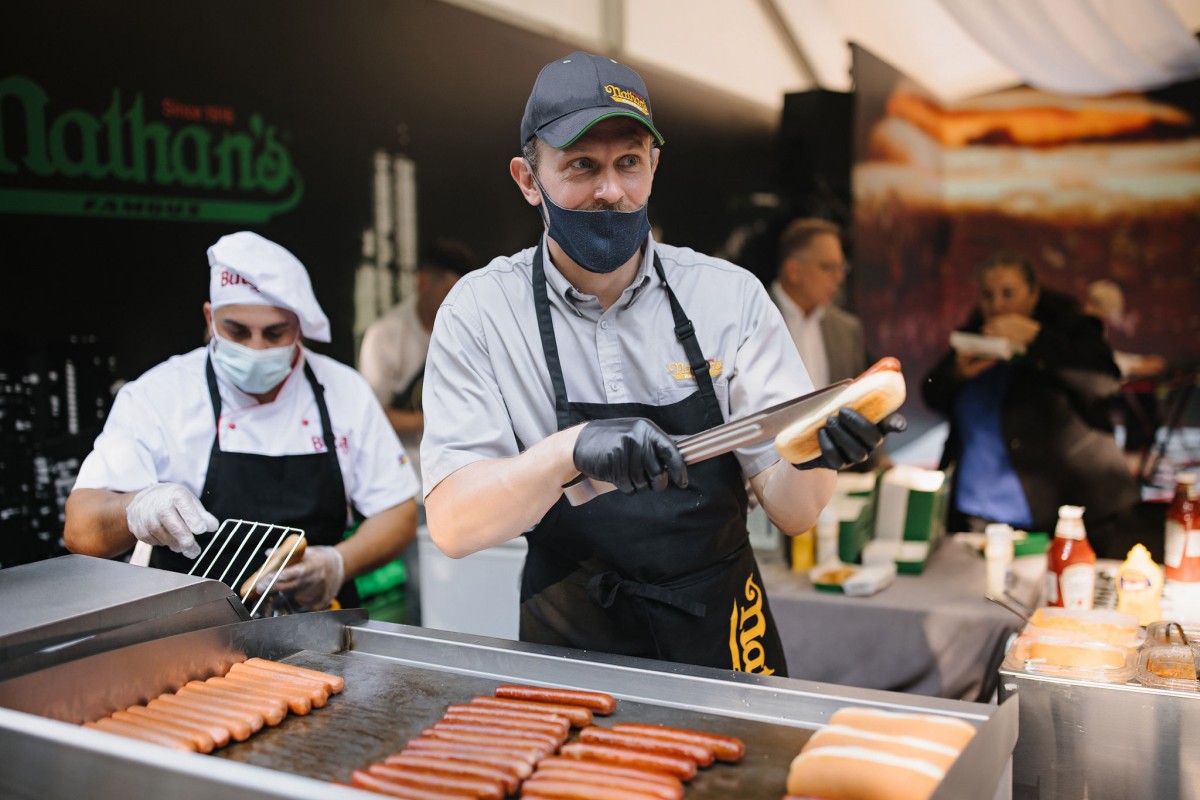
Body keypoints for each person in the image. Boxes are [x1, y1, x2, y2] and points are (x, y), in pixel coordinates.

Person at [419, 51, 902, 675]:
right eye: (581, 166)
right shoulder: (483, 312)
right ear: (527, 179)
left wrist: (818, 453)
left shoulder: (728, 297)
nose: (612, 190)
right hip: (572, 644)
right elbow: (455, 526)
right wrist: (570, 452)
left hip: (726, 635)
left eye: (628, 163)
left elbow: (794, 510)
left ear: (654, 165)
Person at [64, 231, 420, 610]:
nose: (256, 349)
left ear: (299, 326)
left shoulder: (345, 391)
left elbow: (398, 511)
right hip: (183, 635)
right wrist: (136, 508)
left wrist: (339, 562)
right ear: (210, 318)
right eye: (236, 331)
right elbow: (79, 528)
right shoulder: (157, 396)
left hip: (318, 625)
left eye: (274, 332)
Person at [922, 252, 1140, 556]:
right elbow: (931, 394)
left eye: (1008, 293)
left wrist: (1035, 337)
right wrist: (958, 373)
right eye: (988, 295)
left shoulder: (1068, 328)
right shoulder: (976, 337)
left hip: (1062, 510)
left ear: (1033, 293)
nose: (997, 305)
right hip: (979, 511)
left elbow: (1103, 382)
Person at [358, 238, 477, 491]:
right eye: (448, 291)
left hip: (464, 472)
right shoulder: (385, 335)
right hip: (404, 475)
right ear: (423, 282)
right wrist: (434, 418)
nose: (455, 300)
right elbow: (373, 414)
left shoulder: (471, 329)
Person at [768, 217, 886, 470]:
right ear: (793, 270)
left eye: (841, 267)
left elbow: (860, 400)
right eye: (827, 267)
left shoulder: (846, 329)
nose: (838, 277)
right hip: (763, 477)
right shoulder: (751, 319)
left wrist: (877, 456)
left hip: (832, 475)